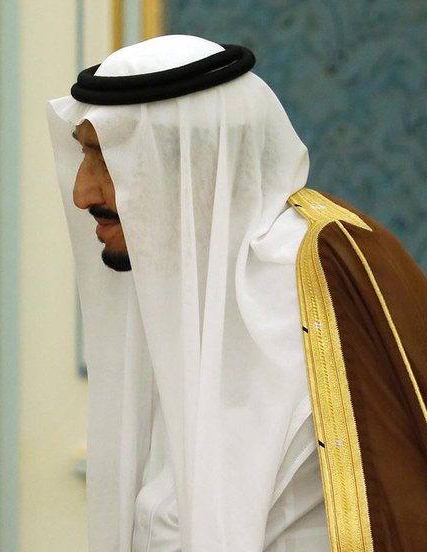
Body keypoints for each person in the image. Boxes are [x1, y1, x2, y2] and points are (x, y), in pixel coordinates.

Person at [47, 34, 427, 551]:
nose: (83, 192)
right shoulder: (170, 280)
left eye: (108, 161)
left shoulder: (331, 268)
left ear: (195, 160)